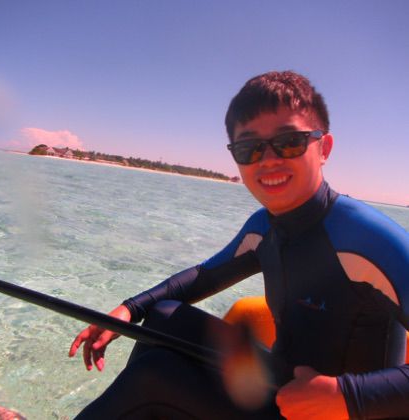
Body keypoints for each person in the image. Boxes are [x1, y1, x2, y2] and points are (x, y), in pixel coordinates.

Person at [69, 71, 409, 419]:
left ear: (324, 148)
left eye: (289, 141)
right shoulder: (264, 226)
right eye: (249, 149)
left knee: (153, 375)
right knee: (163, 316)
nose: (268, 159)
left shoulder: (369, 239)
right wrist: (128, 310)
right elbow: (202, 276)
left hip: (343, 412)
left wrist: (346, 396)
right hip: (283, 385)